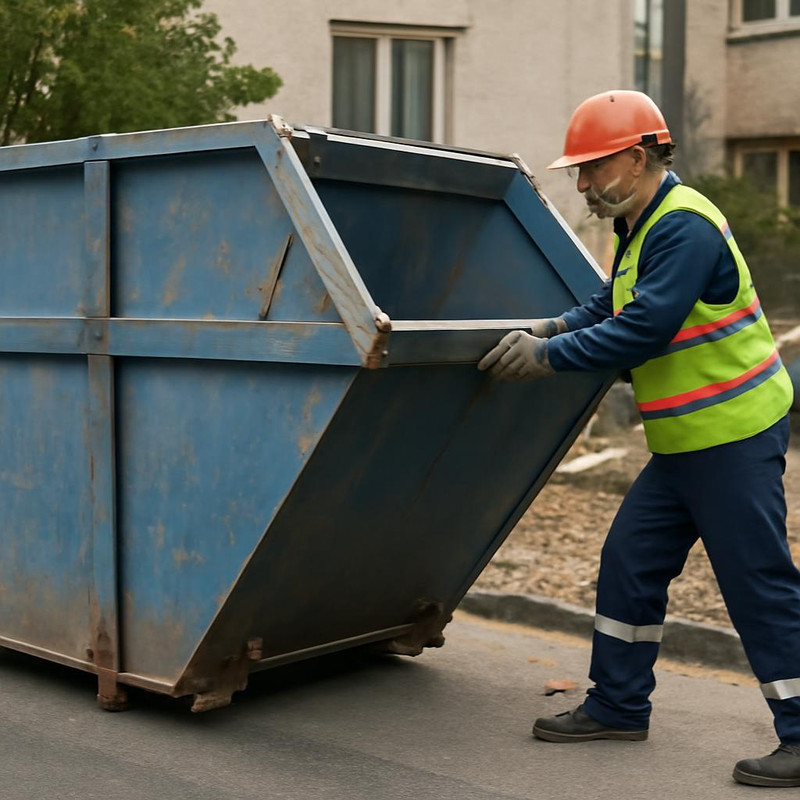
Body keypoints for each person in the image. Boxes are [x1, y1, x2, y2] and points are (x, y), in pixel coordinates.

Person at [477, 89, 800, 788]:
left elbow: (644, 327)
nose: (584, 184)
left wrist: (546, 359)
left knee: (757, 585)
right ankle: (619, 705)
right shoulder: (640, 222)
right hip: (687, 440)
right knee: (629, 561)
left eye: (592, 169)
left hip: (733, 432)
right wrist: (552, 328)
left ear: (635, 157)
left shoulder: (685, 225)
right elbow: (610, 302)